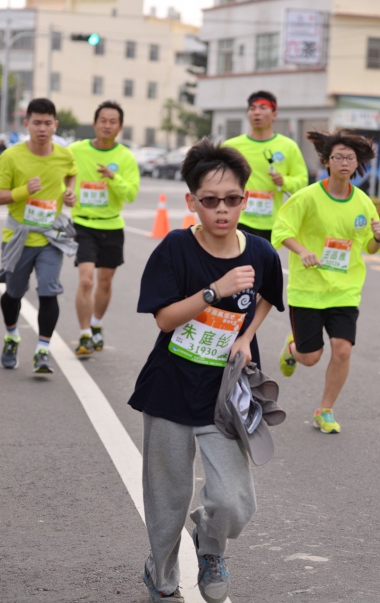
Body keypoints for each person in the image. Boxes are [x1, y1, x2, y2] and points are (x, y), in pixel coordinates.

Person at [128, 138, 284, 603]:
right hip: (169, 388)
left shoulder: (260, 252)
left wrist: (246, 336)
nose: (222, 210)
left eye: (232, 199)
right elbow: (165, 319)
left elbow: (269, 296)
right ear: (191, 201)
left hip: (224, 395)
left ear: (245, 199)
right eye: (210, 200)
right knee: (167, 497)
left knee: (235, 501)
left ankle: (209, 544)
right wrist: (215, 291)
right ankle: (161, 573)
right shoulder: (176, 248)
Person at [273, 130, 380, 434]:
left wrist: (377, 238)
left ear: (358, 164)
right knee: (310, 358)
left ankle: (325, 410)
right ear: (327, 161)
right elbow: (282, 230)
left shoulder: (363, 202)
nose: (345, 162)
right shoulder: (307, 197)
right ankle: (292, 348)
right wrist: (302, 250)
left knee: (343, 350)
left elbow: (368, 247)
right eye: (338, 157)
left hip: (345, 290)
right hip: (308, 290)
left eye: (350, 158)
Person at [0, 98, 77, 374]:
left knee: (49, 291)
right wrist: (24, 191)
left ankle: (42, 351)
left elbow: (71, 173)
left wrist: (69, 192)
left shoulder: (64, 155)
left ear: (55, 125)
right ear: (26, 124)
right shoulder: (11, 157)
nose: (42, 128)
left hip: (50, 237)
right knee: (13, 293)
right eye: (37, 122)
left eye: (47, 123)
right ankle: (12, 336)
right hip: (18, 236)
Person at [69, 101, 140, 356]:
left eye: (113, 122)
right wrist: (66, 191)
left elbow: (131, 194)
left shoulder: (125, 157)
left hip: (111, 225)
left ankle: (96, 324)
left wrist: (113, 178)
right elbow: (60, 173)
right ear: (94, 123)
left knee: (105, 282)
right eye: (103, 120)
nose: (107, 125)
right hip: (83, 224)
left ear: (120, 127)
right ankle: (84, 335)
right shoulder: (76, 150)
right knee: (86, 279)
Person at [223, 90, 308, 242]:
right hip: (238, 219)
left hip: (272, 223)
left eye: (263, 108)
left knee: (263, 258)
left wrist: (284, 181)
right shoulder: (231, 147)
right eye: (252, 108)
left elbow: (302, 183)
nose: (257, 112)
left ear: (274, 114)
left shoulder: (288, 147)